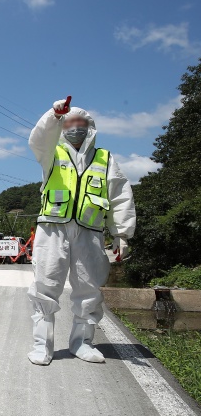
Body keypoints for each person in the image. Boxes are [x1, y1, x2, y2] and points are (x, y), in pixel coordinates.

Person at [27, 98, 136, 366]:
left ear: (91, 128)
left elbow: (120, 195)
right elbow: (38, 140)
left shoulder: (105, 158)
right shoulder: (52, 153)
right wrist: (54, 115)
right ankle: (42, 346)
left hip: (90, 231)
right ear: (62, 127)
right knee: (45, 286)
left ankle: (82, 343)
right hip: (53, 229)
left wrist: (121, 233)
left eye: (82, 123)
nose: (76, 127)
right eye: (70, 122)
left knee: (89, 289)